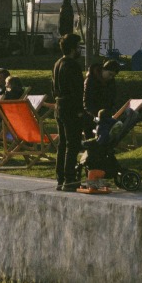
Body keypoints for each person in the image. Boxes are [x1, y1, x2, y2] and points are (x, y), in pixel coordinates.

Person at [52, 32, 85, 191]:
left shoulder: (58, 63)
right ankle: (69, 179)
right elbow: (78, 90)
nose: (80, 50)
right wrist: (80, 110)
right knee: (73, 144)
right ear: (73, 48)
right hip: (71, 107)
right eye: (78, 47)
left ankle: (60, 178)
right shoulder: (72, 65)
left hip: (59, 106)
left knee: (62, 143)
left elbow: (54, 88)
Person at [83, 59, 119, 131]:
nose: (111, 77)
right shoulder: (91, 80)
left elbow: (112, 98)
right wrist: (95, 115)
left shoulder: (111, 82)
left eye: (113, 76)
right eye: (110, 74)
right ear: (103, 69)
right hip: (92, 114)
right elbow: (87, 100)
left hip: (106, 114)